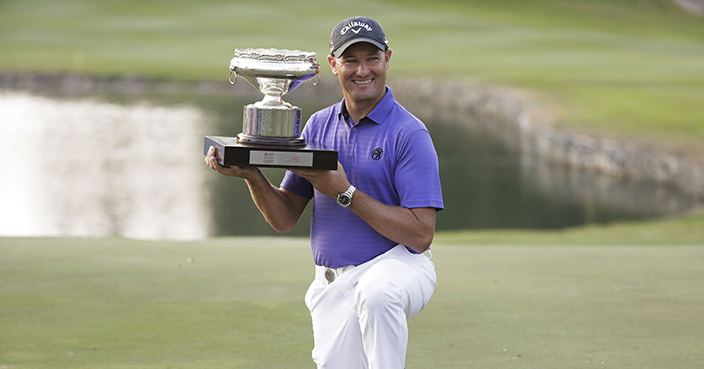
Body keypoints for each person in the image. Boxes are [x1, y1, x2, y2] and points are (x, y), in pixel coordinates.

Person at [205, 15, 444, 369]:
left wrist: (344, 192)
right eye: (350, 60)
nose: (362, 70)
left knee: (377, 294)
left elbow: (421, 235)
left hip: (400, 266)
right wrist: (252, 176)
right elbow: (285, 217)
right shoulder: (317, 125)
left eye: (372, 59)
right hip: (332, 282)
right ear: (333, 65)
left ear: (387, 59)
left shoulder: (410, 133)